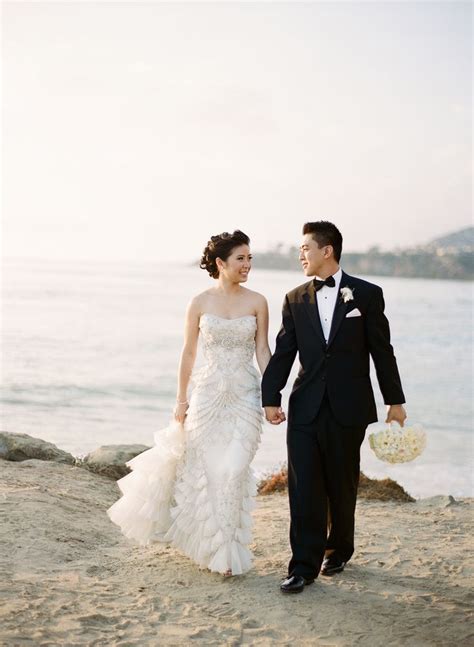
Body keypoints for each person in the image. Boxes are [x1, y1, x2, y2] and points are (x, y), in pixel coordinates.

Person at [107, 230, 271, 576]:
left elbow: (262, 350)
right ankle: (221, 553)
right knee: (209, 471)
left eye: (250, 258)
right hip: (207, 398)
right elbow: (189, 352)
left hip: (244, 397)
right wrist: (181, 400)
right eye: (241, 258)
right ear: (220, 263)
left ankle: (228, 545)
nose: (247, 265)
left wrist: (272, 397)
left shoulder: (258, 301)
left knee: (233, 470)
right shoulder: (198, 302)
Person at [262, 221, 407, 594]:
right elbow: (284, 353)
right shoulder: (294, 299)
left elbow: (381, 351)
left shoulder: (367, 294)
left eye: (305, 249)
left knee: (341, 484)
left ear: (327, 251)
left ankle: (339, 548)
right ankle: (302, 567)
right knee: (303, 486)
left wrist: (395, 401)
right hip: (305, 405)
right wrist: (270, 397)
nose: (300, 255)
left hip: (348, 406)